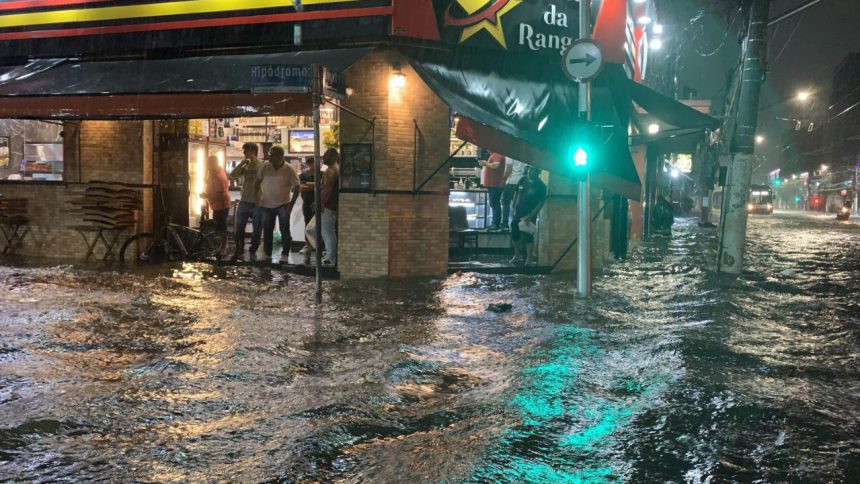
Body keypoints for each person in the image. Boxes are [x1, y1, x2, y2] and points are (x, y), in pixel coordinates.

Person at [255, 145, 300, 261]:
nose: (270, 159)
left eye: (273, 157)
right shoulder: (264, 166)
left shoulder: (289, 169)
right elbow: (257, 182)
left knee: (284, 229)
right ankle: (267, 254)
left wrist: (292, 204)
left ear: (280, 157)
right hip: (266, 204)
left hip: (283, 204)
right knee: (267, 230)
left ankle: (285, 254)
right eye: (270, 156)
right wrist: (257, 198)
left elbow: (297, 186)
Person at [305, 148, 340, 266]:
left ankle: (330, 257)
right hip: (329, 205)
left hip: (327, 206)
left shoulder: (330, 171)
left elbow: (327, 190)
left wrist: (320, 204)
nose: (323, 157)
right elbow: (323, 183)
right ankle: (327, 253)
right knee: (315, 230)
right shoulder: (333, 168)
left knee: (327, 232)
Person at [229, 142, 263, 260]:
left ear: (252, 151)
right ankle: (239, 247)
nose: (243, 153)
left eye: (245, 151)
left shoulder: (261, 165)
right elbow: (232, 175)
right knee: (239, 226)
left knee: (257, 227)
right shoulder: (245, 166)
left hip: (257, 201)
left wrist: (254, 162)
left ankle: (253, 249)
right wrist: (242, 163)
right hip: (245, 200)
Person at [510, 166, 547, 266]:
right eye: (530, 171)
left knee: (528, 236)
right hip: (518, 212)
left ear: (538, 173)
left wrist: (531, 215)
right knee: (514, 233)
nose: (530, 173)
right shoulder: (522, 180)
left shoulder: (541, 186)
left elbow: (540, 203)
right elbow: (516, 193)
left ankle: (529, 258)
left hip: (529, 214)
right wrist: (513, 206)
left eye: (533, 172)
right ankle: (517, 254)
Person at [201, 155, 230, 258]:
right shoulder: (215, 171)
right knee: (218, 226)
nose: (207, 167)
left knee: (221, 227)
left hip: (221, 205)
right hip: (216, 205)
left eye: (208, 165)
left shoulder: (219, 177)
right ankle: (219, 247)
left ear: (213, 164)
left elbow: (220, 195)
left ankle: (223, 248)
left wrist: (206, 195)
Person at [479, 151, 506, 230]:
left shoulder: (498, 154)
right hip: (492, 184)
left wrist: (485, 163)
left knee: (494, 203)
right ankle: (495, 223)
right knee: (493, 203)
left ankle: (496, 223)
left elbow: (496, 165)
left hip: (495, 184)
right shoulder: (494, 154)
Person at [502, 157, 526, 230]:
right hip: (522, 181)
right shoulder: (523, 152)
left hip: (512, 182)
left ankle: (505, 223)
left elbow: (509, 168)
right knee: (518, 204)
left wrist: (504, 179)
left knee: (505, 202)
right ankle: (517, 223)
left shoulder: (509, 154)